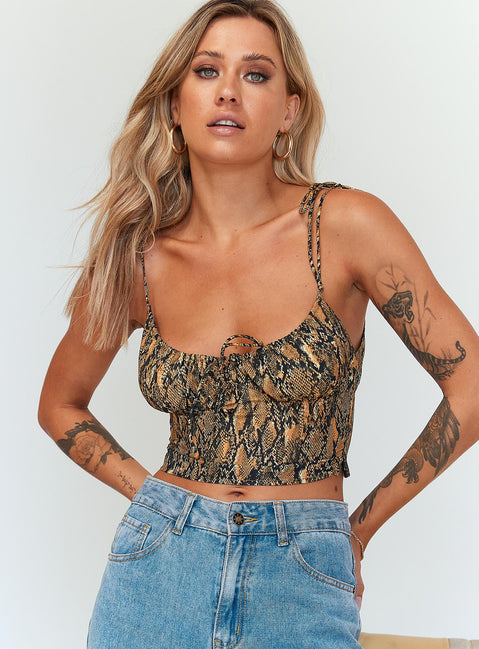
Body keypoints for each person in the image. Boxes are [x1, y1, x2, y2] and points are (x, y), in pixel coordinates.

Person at [37, 1, 479, 647]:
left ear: (289, 111)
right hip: (157, 574)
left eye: (255, 74)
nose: (227, 91)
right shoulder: (139, 257)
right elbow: (59, 404)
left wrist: (355, 530)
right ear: (174, 105)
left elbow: (471, 385)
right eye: (206, 70)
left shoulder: (346, 226)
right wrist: (153, 498)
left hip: (303, 570)